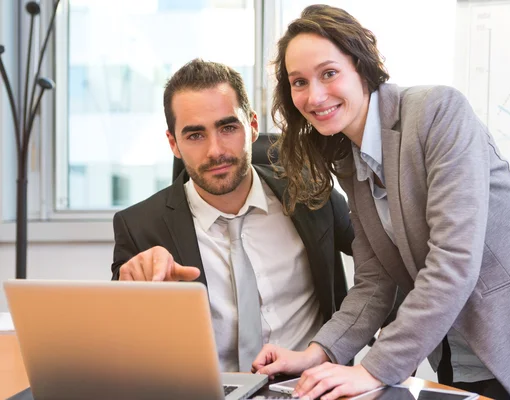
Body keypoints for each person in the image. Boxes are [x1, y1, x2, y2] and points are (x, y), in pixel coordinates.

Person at [252, 5, 510, 400]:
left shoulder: (437, 113)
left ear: (361, 66)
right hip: (454, 350)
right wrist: (316, 353)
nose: (314, 95)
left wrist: (372, 369)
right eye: (299, 82)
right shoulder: (349, 157)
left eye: (329, 73)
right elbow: (375, 279)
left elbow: (453, 261)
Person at [110, 59, 354, 373]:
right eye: (195, 135)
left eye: (227, 128)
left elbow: (388, 261)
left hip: (309, 387)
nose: (215, 151)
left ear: (252, 126)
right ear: (174, 143)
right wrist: (134, 287)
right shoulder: (140, 227)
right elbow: (120, 339)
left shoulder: (311, 194)